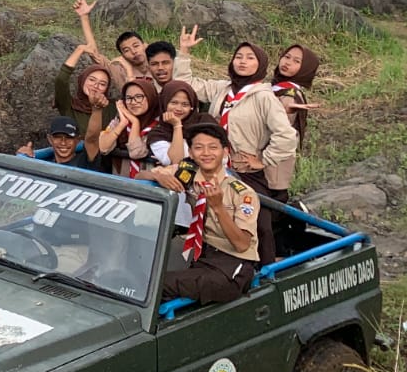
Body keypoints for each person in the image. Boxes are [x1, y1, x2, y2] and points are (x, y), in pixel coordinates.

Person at [177, 36, 300, 207]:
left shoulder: (264, 96)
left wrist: (263, 160)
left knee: (253, 219)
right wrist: (184, 52)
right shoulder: (223, 89)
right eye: (238, 57)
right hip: (212, 165)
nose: (243, 62)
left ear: (260, 64)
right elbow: (187, 86)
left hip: (245, 171)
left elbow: (287, 136)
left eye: (250, 58)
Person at [160, 122, 260, 304]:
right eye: (199, 148)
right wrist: (157, 176)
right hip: (203, 255)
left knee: (160, 285)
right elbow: (139, 177)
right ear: (190, 152)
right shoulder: (187, 174)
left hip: (232, 264)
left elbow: (242, 244)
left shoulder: (242, 193)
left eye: (213, 147)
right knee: (147, 277)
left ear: (225, 152)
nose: (206, 153)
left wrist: (219, 208)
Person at [73, 0, 150, 87]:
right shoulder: (121, 72)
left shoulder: (160, 62)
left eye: (136, 46)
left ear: (145, 45)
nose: (133, 51)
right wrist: (84, 17)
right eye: (126, 50)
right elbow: (94, 54)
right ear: (122, 56)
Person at [95, 79, 159, 178]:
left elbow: (137, 153)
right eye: (128, 98)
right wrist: (123, 124)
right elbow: (103, 147)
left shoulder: (160, 124)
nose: (133, 102)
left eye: (139, 97)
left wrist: (135, 123)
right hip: (121, 184)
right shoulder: (120, 120)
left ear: (150, 97)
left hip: (150, 185)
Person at [54, 42, 117, 136]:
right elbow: (61, 79)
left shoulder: (112, 107)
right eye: (92, 80)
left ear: (107, 89)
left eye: (102, 84)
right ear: (82, 80)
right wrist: (80, 50)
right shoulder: (68, 105)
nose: (95, 86)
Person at [16, 117, 100, 170]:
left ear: (77, 140)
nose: (63, 142)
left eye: (69, 137)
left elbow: (92, 139)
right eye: (58, 137)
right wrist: (24, 157)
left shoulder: (85, 160)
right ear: (50, 139)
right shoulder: (42, 162)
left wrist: (96, 109)